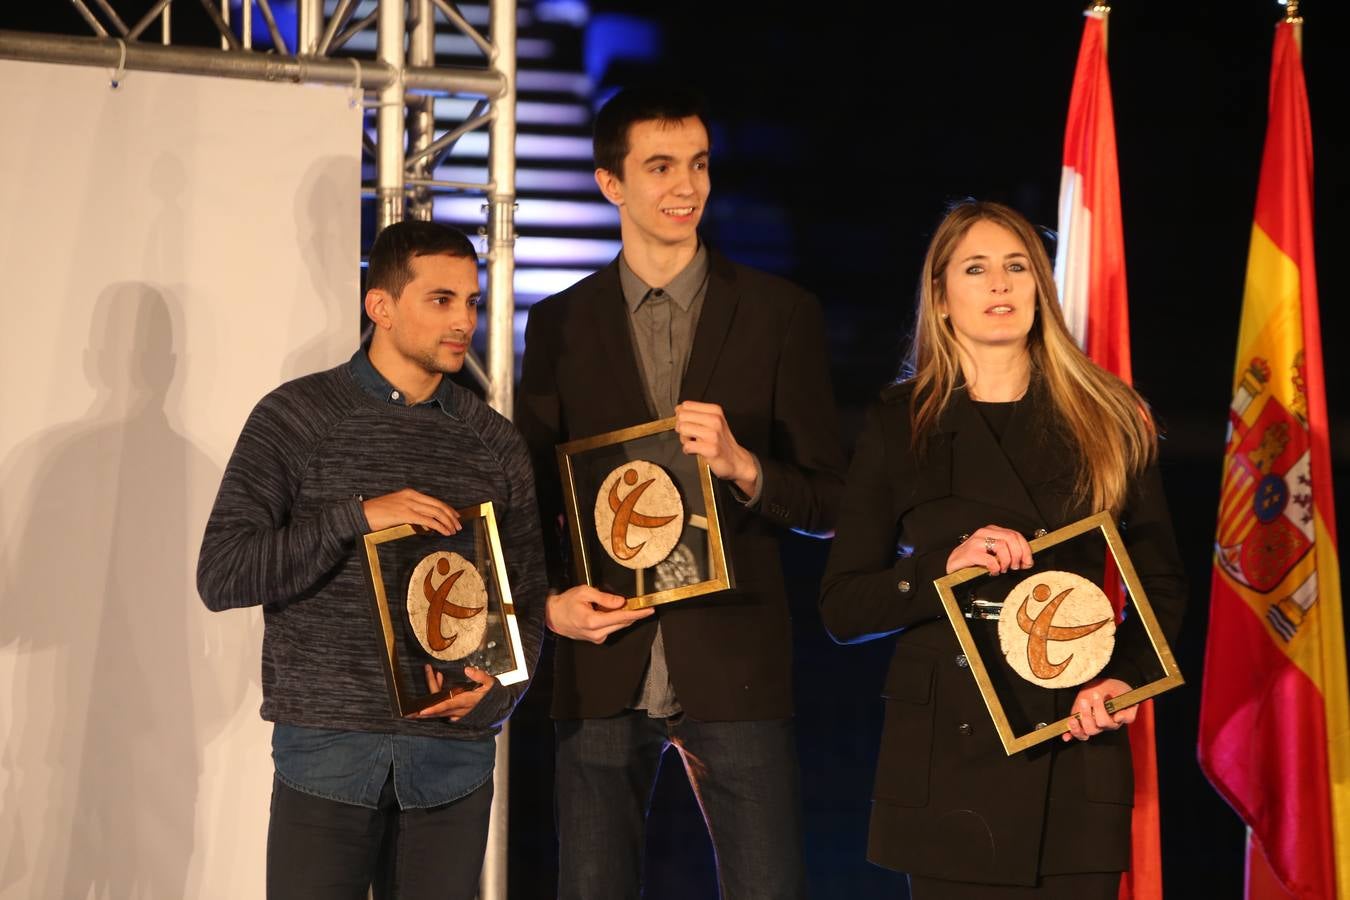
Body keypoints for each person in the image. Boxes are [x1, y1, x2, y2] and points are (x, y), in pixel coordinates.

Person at [515, 84, 846, 899]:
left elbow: (830, 500)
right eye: (660, 166)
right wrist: (552, 601)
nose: (686, 186)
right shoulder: (559, 325)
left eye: (697, 164)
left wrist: (743, 466)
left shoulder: (780, 314)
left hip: (735, 663)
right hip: (601, 666)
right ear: (610, 184)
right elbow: (534, 495)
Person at [818, 200, 1186, 899]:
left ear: (1041, 288)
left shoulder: (1110, 414)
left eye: (1017, 267)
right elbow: (842, 607)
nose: (1000, 285)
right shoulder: (900, 424)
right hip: (949, 763)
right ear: (942, 297)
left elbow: (1161, 582)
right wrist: (941, 569)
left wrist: (1127, 680)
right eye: (977, 269)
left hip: (1075, 739)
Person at [196, 220, 546, 900]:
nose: (463, 321)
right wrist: (356, 517)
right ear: (380, 307)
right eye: (441, 300)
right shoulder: (297, 416)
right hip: (327, 757)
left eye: (471, 302)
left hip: (453, 763)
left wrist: (502, 689)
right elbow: (223, 572)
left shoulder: (494, 443)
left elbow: (527, 598)